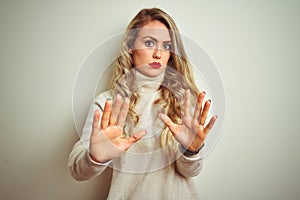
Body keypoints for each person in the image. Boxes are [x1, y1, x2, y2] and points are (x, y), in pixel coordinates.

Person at [68, 7, 217, 199]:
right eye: (149, 43)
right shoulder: (107, 103)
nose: (158, 54)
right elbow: (77, 171)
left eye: (166, 46)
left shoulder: (185, 101)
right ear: (130, 46)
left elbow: (191, 172)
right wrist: (95, 157)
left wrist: (191, 150)